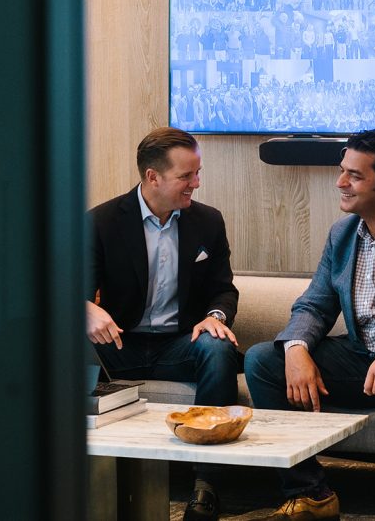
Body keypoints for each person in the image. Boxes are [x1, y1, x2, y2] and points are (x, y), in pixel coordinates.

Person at [245, 129, 375, 521]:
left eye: (354, 175)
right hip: (361, 359)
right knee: (264, 360)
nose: (340, 182)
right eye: (341, 170)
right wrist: (296, 348)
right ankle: (310, 492)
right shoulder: (343, 233)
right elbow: (314, 304)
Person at [87, 126, 240, 521]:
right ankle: (74, 472)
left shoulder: (207, 222)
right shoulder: (101, 222)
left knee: (218, 348)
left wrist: (215, 317)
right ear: (153, 177)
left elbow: (224, 290)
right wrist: (85, 308)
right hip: (117, 345)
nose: (197, 183)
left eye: (197, 172)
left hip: (179, 344)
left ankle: (206, 488)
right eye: (187, 176)